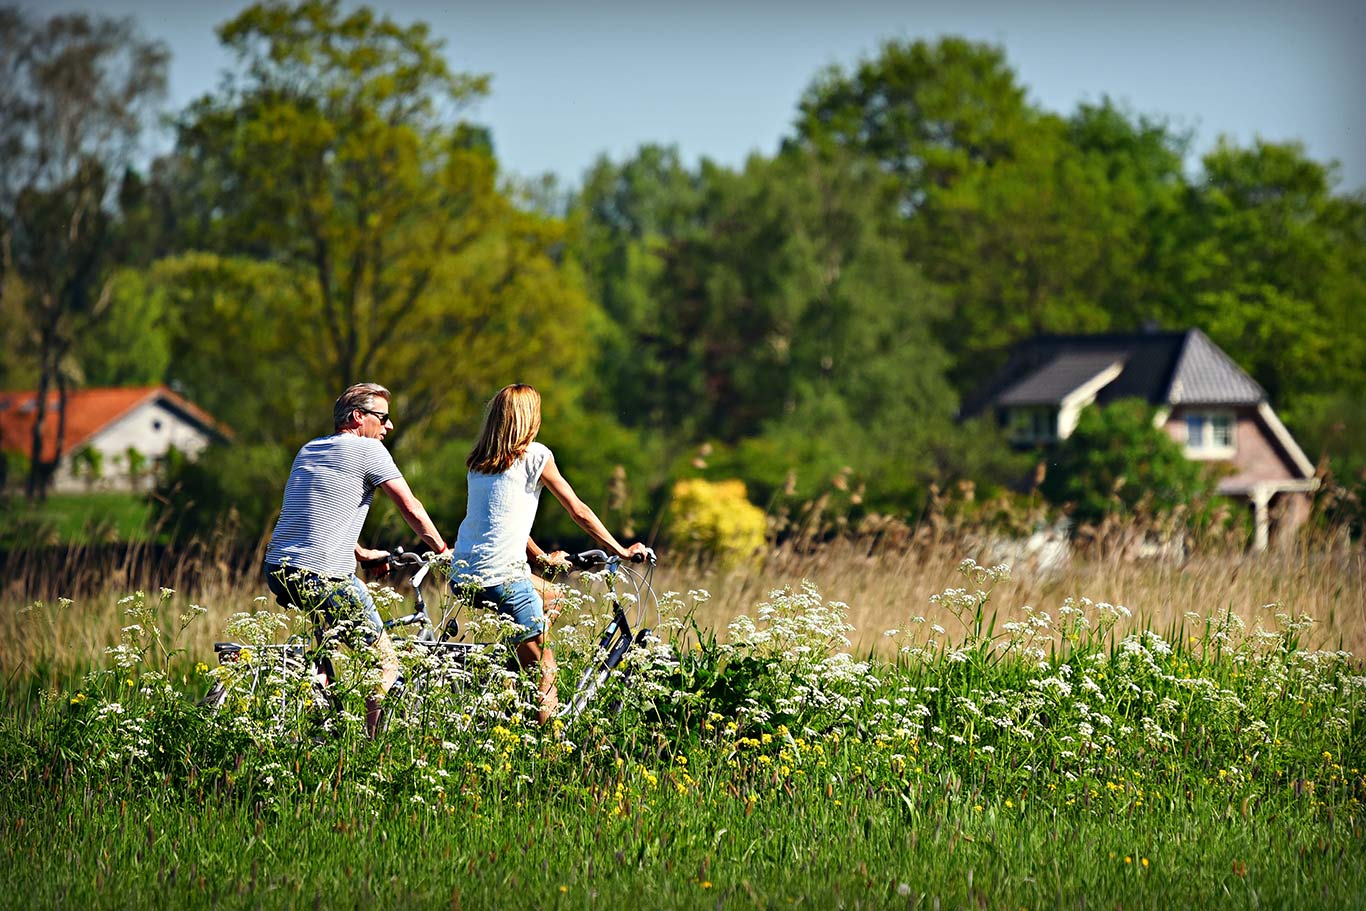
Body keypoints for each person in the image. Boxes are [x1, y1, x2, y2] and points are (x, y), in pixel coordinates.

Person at [450, 384, 650, 725]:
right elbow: (578, 510)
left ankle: (512, 670)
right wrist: (621, 550)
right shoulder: (537, 456)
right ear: (529, 419)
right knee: (547, 669)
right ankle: (548, 752)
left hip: (464, 572)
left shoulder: (479, 463)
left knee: (553, 594)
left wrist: (541, 558)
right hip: (503, 577)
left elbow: (501, 521)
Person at [263, 382, 448, 737]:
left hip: (278, 568)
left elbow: (317, 515)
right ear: (357, 418)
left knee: (323, 652)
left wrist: (362, 553)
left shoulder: (309, 449)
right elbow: (410, 507)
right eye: (382, 418)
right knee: (386, 665)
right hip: (322, 574)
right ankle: (370, 750)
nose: (388, 427)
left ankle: (321, 724)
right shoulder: (368, 451)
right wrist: (441, 550)